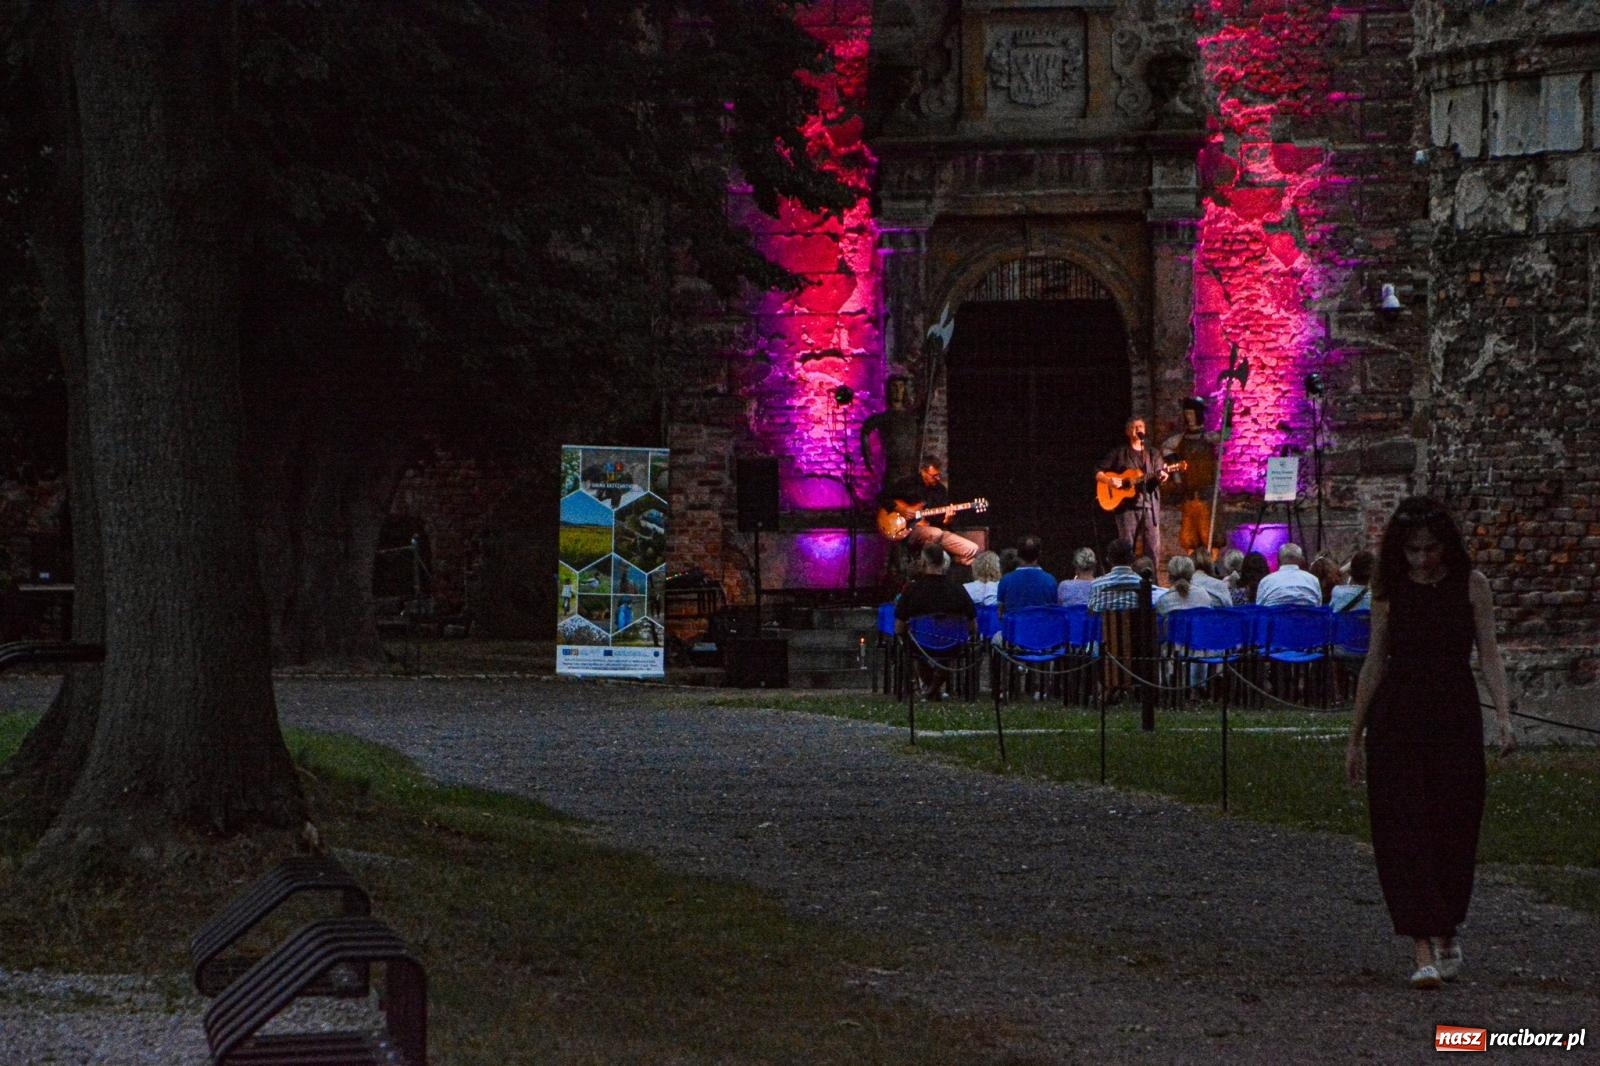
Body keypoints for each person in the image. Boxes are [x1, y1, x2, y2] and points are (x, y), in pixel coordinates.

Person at [1345, 497, 1514, 989]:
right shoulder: (1389, 590)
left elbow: (1489, 653)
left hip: (1454, 714)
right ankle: (1421, 945)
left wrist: (1503, 715)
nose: (1422, 559)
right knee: (1403, 827)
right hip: (1398, 715)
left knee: (1455, 822)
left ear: (1447, 546)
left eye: (1431, 549)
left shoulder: (1471, 586)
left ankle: (1446, 924)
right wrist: (1354, 736)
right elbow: (1375, 660)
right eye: (1413, 550)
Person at [894, 544, 979, 700]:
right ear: (944, 562)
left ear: (924, 562)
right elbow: (973, 625)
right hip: (952, 643)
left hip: (920, 644)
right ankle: (933, 690)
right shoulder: (958, 589)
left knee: (912, 647)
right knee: (947, 654)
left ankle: (929, 690)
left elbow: (899, 627)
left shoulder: (912, 590)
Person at [1096, 416, 1170, 564]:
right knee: (1126, 548)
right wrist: (1109, 480)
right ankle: (1126, 574)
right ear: (1127, 431)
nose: (1138, 430)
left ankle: (1152, 577)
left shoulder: (1153, 454)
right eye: (1134, 427)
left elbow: (1160, 475)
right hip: (1126, 509)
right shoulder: (1120, 453)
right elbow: (1098, 471)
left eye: (1140, 427)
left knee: (1152, 549)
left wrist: (1163, 476)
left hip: (1149, 507)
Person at [878, 462, 981, 567]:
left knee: (973, 549)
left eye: (939, 475)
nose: (938, 478)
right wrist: (901, 509)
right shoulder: (908, 483)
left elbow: (942, 522)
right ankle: (933, 565)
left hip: (935, 531)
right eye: (934, 475)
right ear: (923, 472)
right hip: (909, 529)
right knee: (936, 533)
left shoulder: (940, 490)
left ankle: (952, 563)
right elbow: (883, 497)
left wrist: (947, 520)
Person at [1161, 397, 1221, 552]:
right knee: (1189, 537)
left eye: (1192, 414)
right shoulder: (1180, 439)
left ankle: (1210, 562)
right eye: (1187, 414)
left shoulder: (1208, 437)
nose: (1189, 417)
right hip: (1188, 494)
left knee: (1210, 536)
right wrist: (1176, 473)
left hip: (1206, 495)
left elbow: (1225, 436)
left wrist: (1229, 415)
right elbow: (1166, 448)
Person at [860, 375, 922, 495]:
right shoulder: (884, 418)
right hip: (892, 471)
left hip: (911, 470)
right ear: (889, 390)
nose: (898, 390)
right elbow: (865, 430)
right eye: (894, 386)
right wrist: (868, 458)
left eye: (901, 386)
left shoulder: (912, 417)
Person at [997, 535, 1057, 613]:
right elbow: (1053, 611)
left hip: (1015, 621)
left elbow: (1000, 612)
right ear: (1040, 553)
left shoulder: (1005, 580)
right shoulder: (1050, 580)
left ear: (1018, 554)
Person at [1254, 543, 1323, 607]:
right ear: (1301, 560)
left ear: (1278, 559)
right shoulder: (1313, 580)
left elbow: (1260, 608)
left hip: (1275, 616)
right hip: (1307, 616)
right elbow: (1318, 606)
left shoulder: (1266, 581)